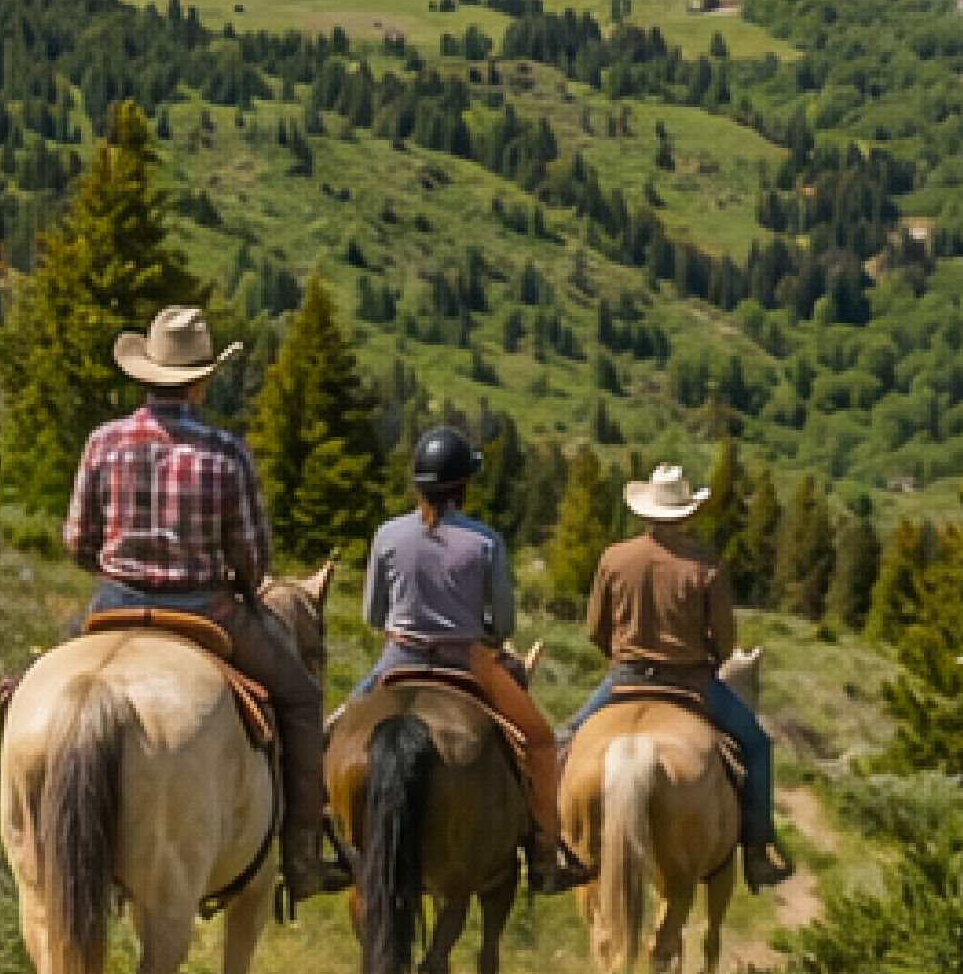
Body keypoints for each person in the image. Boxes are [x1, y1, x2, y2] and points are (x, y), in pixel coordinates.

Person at [64, 306, 345, 897]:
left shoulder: (103, 441)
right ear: (202, 378)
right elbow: (253, 560)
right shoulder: (225, 452)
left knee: (36, 686)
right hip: (204, 611)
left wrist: (121, 573)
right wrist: (233, 581)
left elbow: (76, 541)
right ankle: (301, 858)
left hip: (113, 602)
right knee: (299, 698)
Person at [361, 425, 579, 895]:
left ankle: (320, 837)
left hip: (396, 658)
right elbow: (502, 627)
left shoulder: (387, 535)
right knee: (541, 742)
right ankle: (545, 854)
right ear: (462, 485)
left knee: (332, 732)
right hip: (467, 663)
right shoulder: (485, 543)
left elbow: (371, 615)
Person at [567, 460, 791, 892]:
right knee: (759, 746)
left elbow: (595, 629)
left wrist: (622, 658)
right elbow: (725, 643)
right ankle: (759, 849)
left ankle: (557, 843)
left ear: (645, 511)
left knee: (564, 740)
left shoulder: (614, 558)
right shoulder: (706, 565)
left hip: (625, 678)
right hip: (694, 683)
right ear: (688, 513)